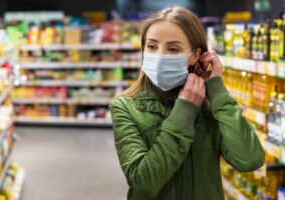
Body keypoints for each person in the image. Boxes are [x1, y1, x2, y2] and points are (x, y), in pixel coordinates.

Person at [109, 6, 265, 200]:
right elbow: (144, 183)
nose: (160, 56)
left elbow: (250, 160)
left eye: (173, 49)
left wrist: (216, 89)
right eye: (152, 46)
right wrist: (184, 112)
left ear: (195, 55)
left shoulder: (210, 106)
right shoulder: (125, 107)